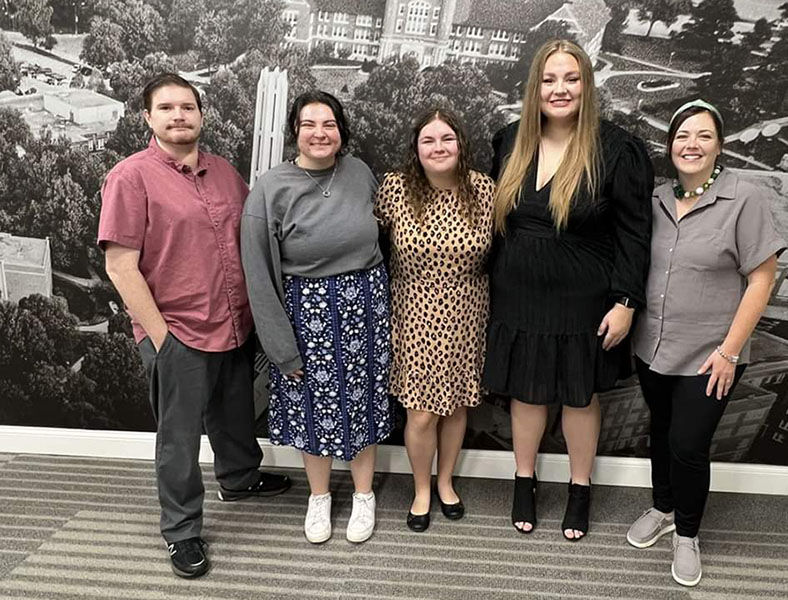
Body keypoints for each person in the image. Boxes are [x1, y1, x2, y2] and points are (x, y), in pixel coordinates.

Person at [98, 73, 291, 579]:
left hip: (232, 322)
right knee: (179, 438)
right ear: (148, 118)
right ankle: (182, 530)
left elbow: (253, 236)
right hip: (177, 330)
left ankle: (240, 478)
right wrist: (162, 337)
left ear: (201, 115)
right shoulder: (130, 177)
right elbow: (120, 266)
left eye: (187, 107)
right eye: (166, 108)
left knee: (232, 412)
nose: (178, 116)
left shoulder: (226, 172)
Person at [485, 39, 654, 541]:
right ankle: (524, 481)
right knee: (528, 394)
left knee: (580, 398)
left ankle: (580, 488)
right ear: (534, 87)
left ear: (587, 85)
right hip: (518, 297)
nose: (559, 89)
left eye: (571, 79)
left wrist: (626, 302)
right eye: (549, 80)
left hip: (587, 300)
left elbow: (635, 234)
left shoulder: (617, 148)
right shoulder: (509, 139)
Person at [627, 99, 787, 587]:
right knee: (661, 431)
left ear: (719, 146)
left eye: (703, 136)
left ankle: (688, 534)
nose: (691, 145)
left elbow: (762, 281)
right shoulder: (654, 198)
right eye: (681, 136)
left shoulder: (745, 198)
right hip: (652, 345)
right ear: (669, 145)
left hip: (712, 355)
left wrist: (730, 352)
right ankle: (662, 507)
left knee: (688, 445)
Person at [241, 90, 393, 546]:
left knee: (363, 404)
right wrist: (280, 347)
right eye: (309, 124)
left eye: (328, 124)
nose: (319, 133)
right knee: (314, 410)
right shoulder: (270, 188)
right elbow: (258, 275)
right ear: (295, 132)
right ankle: (320, 496)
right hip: (307, 315)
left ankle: (365, 495)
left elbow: (383, 240)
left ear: (341, 131)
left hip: (366, 306)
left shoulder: (361, 173)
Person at [374, 108, 494, 532]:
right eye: (429, 140)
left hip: (467, 313)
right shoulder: (395, 189)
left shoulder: (484, 190)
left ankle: (446, 483)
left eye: (447, 138)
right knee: (421, 413)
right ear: (416, 149)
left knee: (457, 406)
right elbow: (368, 245)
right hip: (412, 313)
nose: (438, 147)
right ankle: (421, 489)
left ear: (460, 144)